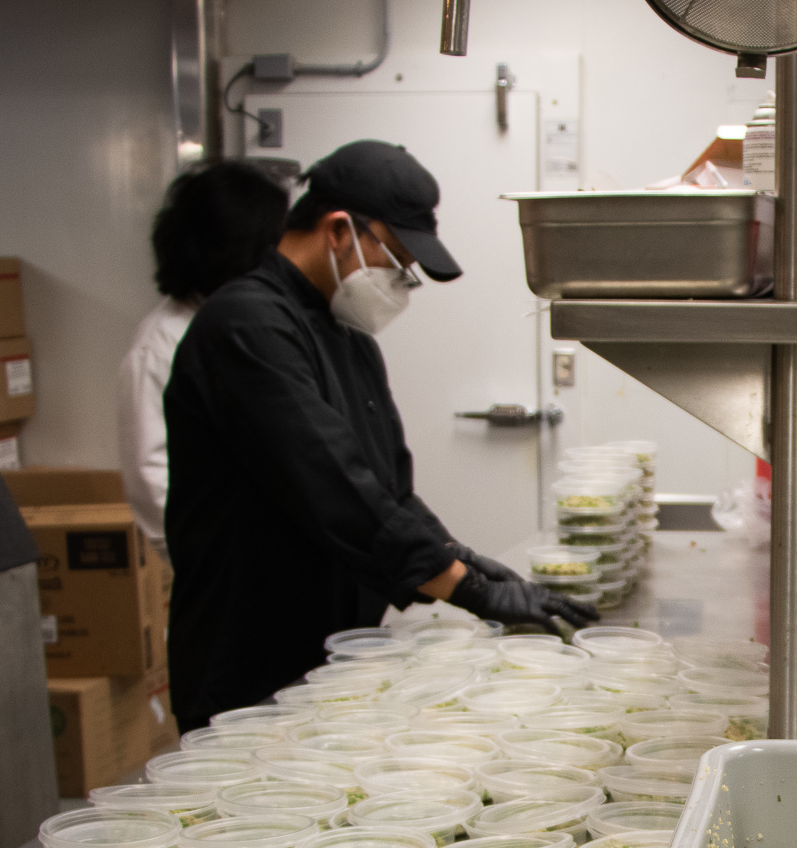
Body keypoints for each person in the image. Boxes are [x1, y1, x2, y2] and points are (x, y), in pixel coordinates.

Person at [163, 139, 596, 731]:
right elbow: (331, 483)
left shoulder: (347, 336)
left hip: (331, 652)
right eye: (395, 263)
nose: (399, 284)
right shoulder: (246, 325)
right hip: (250, 656)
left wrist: (462, 558)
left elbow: (386, 490)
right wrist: (465, 589)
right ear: (339, 230)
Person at [117, 162, 286, 555]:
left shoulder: (253, 323)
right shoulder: (160, 347)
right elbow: (152, 483)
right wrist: (219, 561)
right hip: (222, 568)